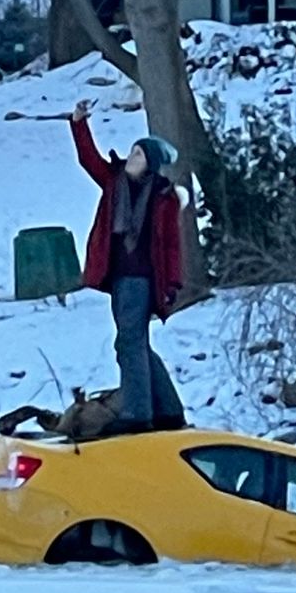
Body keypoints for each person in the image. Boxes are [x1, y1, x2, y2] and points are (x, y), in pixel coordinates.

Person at [68, 98, 187, 436]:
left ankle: (138, 412)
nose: (131, 157)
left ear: (149, 164)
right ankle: (168, 410)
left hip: (143, 279)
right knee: (136, 343)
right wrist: (79, 123)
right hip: (118, 277)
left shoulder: (163, 197)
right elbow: (88, 159)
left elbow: (171, 245)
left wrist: (172, 284)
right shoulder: (114, 181)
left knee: (129, 343)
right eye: (132, 152)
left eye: (138, 154)